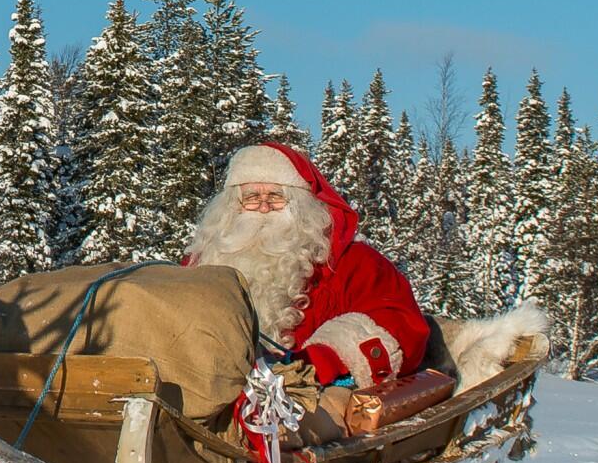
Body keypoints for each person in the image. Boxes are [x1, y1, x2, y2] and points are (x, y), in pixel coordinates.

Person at [183, 142, 432, 437]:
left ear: (302, 205)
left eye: (276, 197)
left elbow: (400, 324)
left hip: (302, 412)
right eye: (251, 197)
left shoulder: (353, 262)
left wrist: (319, 362)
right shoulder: (200, 265)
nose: (263, 207)